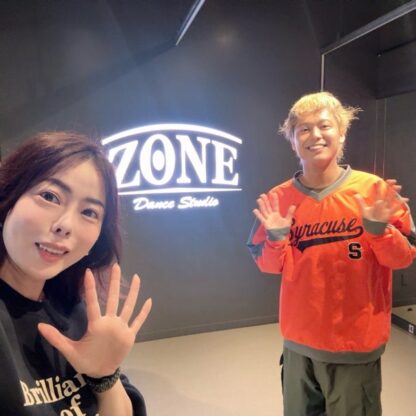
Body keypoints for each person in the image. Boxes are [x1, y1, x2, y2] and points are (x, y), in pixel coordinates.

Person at [247, 92, 416, 416]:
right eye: (304, 129)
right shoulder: (278, 200)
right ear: (292, 141)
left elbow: (403, 258)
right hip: (299, 345)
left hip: (355, 347)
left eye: (324, 126)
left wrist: (379, 232)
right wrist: (276, 238)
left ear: (342, 133)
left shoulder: (374, 191)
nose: (315, 135)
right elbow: (268, 265)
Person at [0, 131, 152, 415]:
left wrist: (105, 377)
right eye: (49, 196)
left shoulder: (71, 306)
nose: (65, 225)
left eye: (89, 212)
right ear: (9, 195)